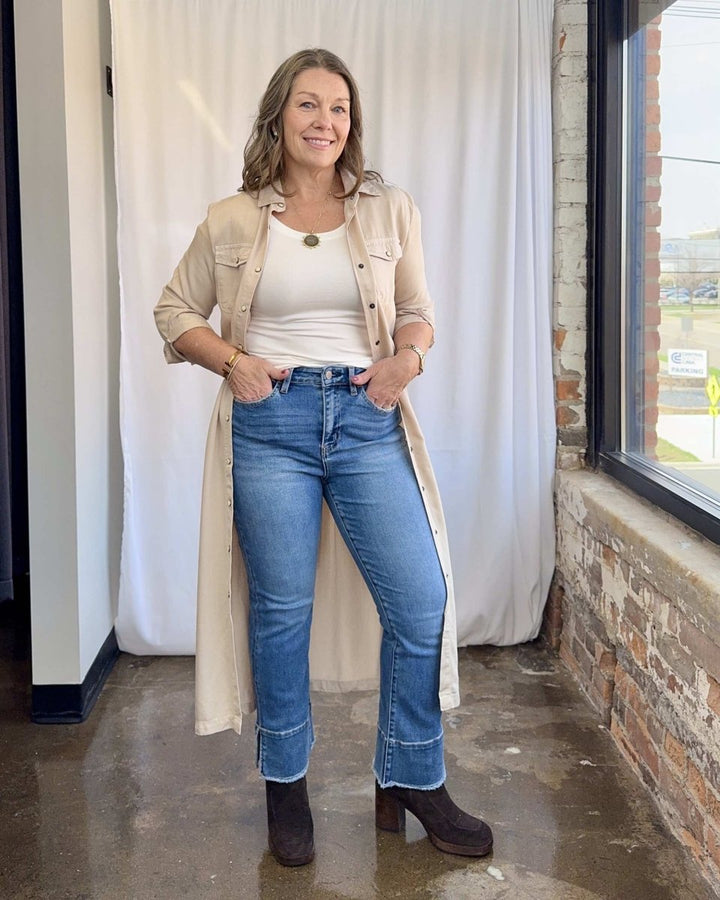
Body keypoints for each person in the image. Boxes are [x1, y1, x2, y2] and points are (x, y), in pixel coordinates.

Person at [154, 48, 493, 867]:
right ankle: (287, 785)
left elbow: (416, 310)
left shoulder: (388, 210)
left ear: (353, 124)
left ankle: (410, 774)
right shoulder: (234, 219)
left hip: (367, 416)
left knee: (420, 600)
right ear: (279, 117)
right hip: (271, 424)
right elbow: (174, 312)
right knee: (281, 612)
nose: (325, 122)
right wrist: (236, 365)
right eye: (309, 105)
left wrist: (404, 365)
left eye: (339, 109)